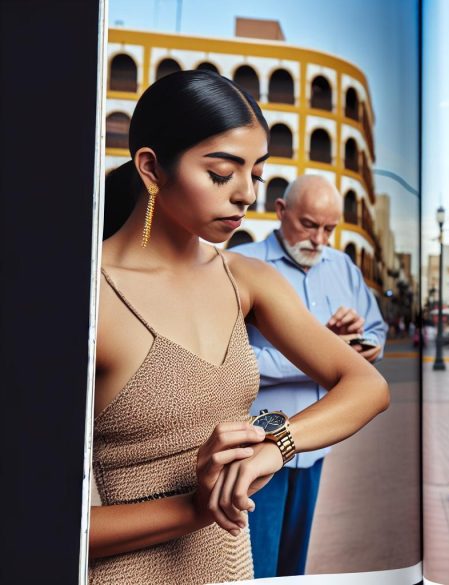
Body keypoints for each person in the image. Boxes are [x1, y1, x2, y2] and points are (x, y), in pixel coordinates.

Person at [90, 70, 389, 584]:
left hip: (233, 569)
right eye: (221, 173)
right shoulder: (91, 296)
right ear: (151, 168)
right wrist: (195, 508)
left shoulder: (246, 280)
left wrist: (277, 447)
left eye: (257, 175)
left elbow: (368, 385)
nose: (246, 194)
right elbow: (45, 522)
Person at [231, 175, 386, 577]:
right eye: (309, 225)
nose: (319, 239)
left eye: (329, 229)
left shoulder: (343, 267)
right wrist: (324, 356)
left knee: (293, 569)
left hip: (315, 446)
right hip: (257, 444)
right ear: (280, 211)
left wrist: (364, 345)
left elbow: (376, 330)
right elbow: (227, 360)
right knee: (256, 568)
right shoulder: (240, 264)